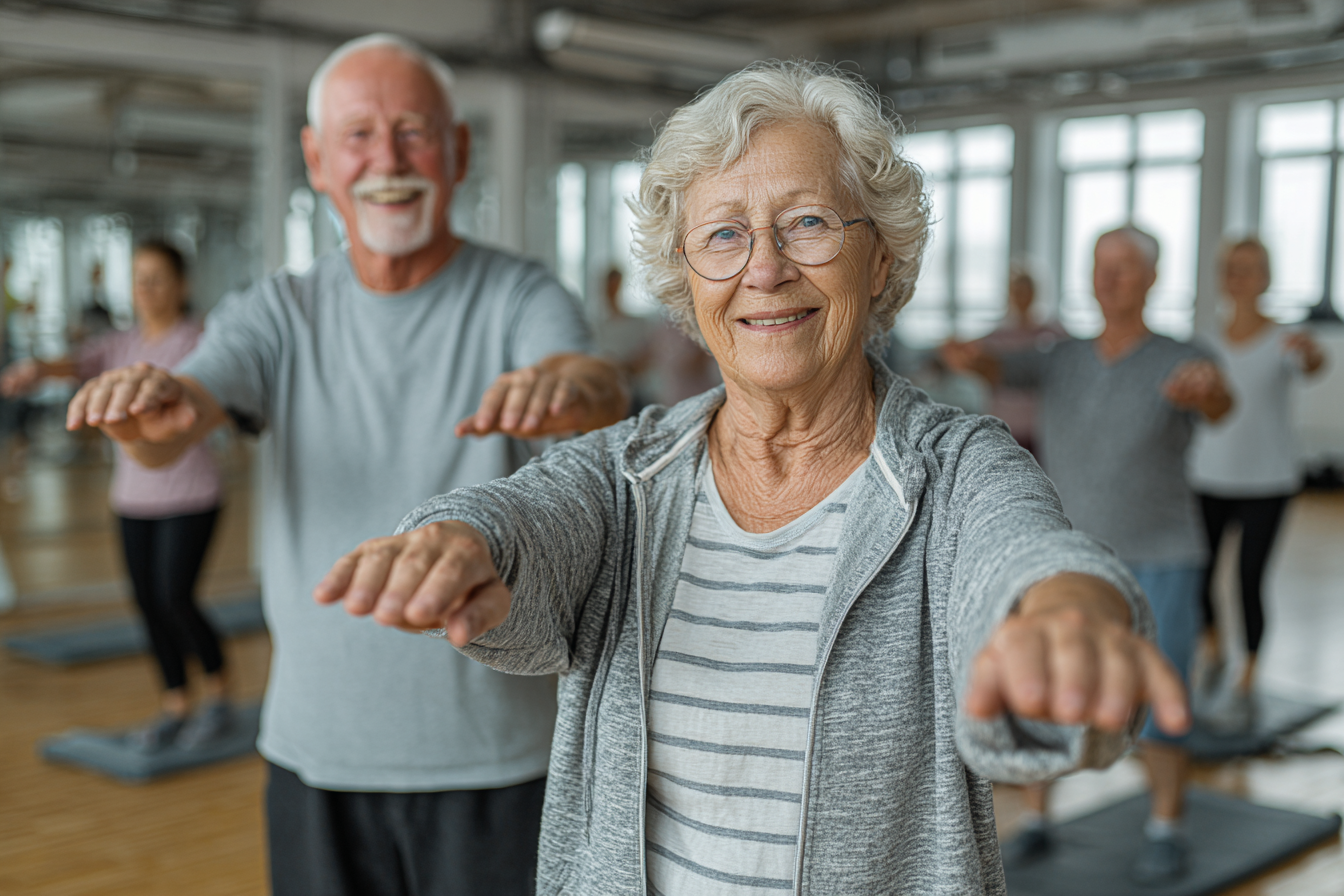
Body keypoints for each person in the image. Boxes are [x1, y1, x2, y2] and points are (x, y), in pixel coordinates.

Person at [315, 62, 1188, 896]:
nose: (763, 268)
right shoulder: (630, 473)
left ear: (879, 257)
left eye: (806, 222)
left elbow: (1027, 551)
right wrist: (456, 543)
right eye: (723, 235)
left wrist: (1072, 615)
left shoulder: (954, 467)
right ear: (687, 279)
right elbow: (521, 519)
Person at [65, 34, 626, 896]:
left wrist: (571, 388)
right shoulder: (277, 312)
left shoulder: (519, 295)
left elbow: (590, 387)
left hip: (499, 766)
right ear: (317, 160)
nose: (388, 160)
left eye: (413, 131)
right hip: (315, 760)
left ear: (458, 152)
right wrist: (147, 416)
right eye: (359, 135)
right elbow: (179, 418)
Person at [944, 225, 1233, 885]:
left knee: (1164, 702)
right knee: (1043, 690)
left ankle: (1166, 825)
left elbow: (1220, 402)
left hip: (1162, 553)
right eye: (1101, 266)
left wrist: (1208, 389)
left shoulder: (1182, 356)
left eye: (1126, 267)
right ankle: (1040, 819)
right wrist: (966, 354)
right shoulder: (1060, 356)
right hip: (1064, 559)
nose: (1111, 279)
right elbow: (990, 366)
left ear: (1152, 278)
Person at [3, 241, 231, 749]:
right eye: (138, 278)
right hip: (133, 498)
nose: (146, 289)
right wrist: (35, 370)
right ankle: (176, 701)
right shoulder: (124, 343)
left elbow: (215, 392)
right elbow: (80, 363)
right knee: (147, 603)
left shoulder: (198, 340)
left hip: (191, 495)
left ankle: (218, 693)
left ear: (181, 285)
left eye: (157, 278)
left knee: (176, 597)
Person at [1188, 238, 1327, 720]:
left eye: (1249, 269)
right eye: (1231, 269)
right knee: (1201, 574)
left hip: (1269, 480)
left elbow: (1313, 366)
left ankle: (1248, 666)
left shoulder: (1285, 340)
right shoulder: (1204, 340)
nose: (1239, 278)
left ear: (1265, 278)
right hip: (1208, 475)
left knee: (1249, 577)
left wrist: (1313, 354)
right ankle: (1212, 642)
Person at [971, 267, 1065, 455]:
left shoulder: (1054, 335)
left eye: (1026, 290)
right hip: (1005, 427)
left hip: (1040, 429)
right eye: (1017, 290)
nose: (1022, 296)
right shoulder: (994, 339)